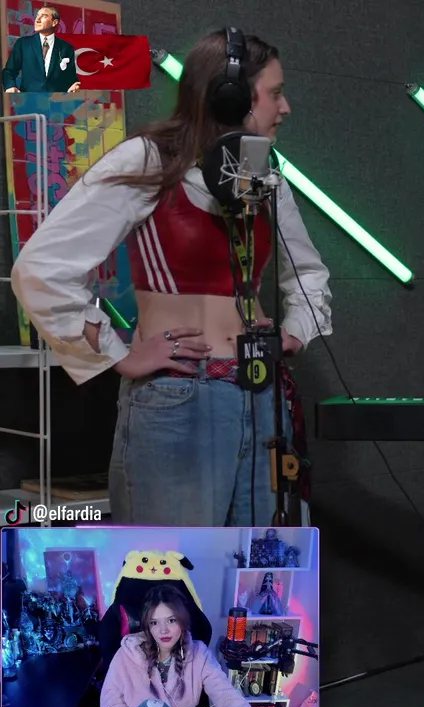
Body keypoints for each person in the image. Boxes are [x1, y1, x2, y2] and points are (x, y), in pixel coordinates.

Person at [10, 28, 333, 527]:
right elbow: (40, 269)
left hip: (263, 397)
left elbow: (307, 270)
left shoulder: (263, 172)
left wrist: (296, 329)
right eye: (275, 93)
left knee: (265, 566)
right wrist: (118, 353)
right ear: (231, 97)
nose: (285, 107)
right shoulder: (149, 159)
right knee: (173, 569)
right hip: (180, 397)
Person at [100, 584, 255, 707]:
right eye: (154, 622)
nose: (163, 630)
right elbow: (110, 705)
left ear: (182, 621)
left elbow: (226, 696)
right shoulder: (126, 655)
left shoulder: (199, 654)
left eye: (171, 620)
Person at [2, 6, 81, 93]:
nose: (37, 20)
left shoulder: (66, 48)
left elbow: (71, 78)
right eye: (37, 16)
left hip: (56, 99)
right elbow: (9, 71)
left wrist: (74, 86)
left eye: (44, 16)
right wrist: (10, 86)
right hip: (29, 98)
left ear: (54, 22)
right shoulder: (23, 44)